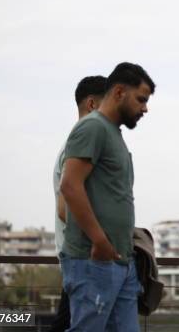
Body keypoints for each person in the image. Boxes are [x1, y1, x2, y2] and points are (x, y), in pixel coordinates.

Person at [59, 63, 155, 332]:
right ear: (119, 92)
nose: (145, 108)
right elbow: (70, 186)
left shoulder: (112, 133)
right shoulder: (92, 128)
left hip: (121, 262)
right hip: (94, 261)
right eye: (141, 99)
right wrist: (100, 241)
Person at [50, 75, 107, 332]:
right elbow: (65, 210)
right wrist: (102, 240)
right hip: (84, 259)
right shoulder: (79, 147)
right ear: (93, 105)